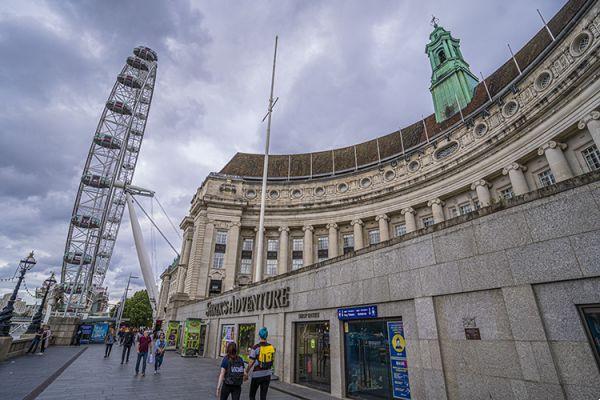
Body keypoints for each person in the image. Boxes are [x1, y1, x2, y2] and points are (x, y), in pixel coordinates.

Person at [245, 327, 275, 400]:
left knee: (252, 395)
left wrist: (246, 372)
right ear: (266, 336)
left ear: (259, 336)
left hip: (257, 375)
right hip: (267, 374)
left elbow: (251, 363)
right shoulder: (271, 347)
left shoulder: (255, 347)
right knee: (263, 396)